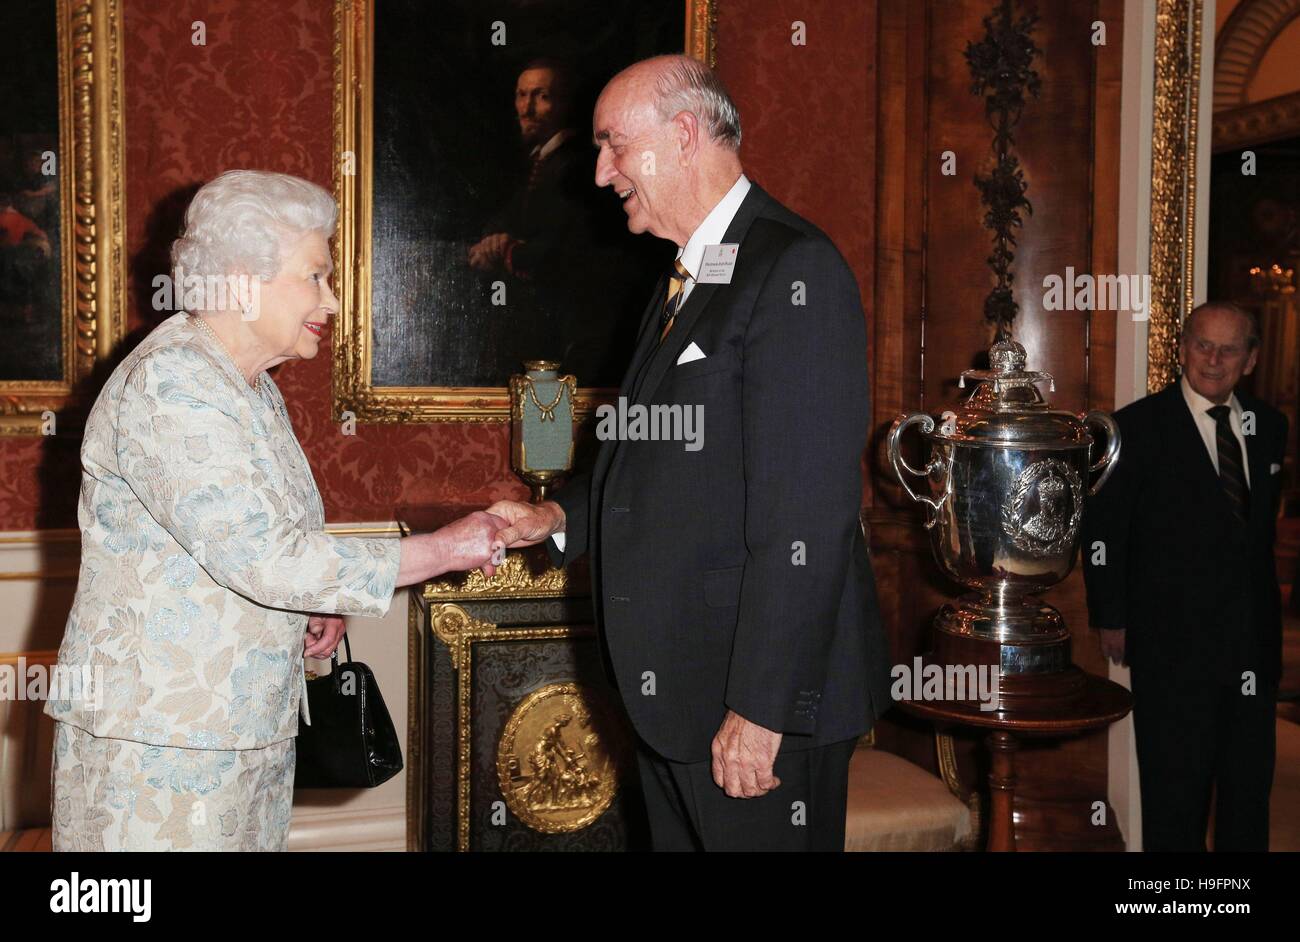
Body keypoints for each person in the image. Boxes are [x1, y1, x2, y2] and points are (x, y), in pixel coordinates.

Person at [486, 55, 892, 851]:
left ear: (681, 135)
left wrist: (762, 711)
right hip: (681, 701)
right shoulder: (689, 273)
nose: (601, 173)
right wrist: (554, 514)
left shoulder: (793, 269)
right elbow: (652, 461)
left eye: (612, 146)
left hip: (755, 707)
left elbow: (807, 515)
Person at [44, 170, 504, 851]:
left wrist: (311, 602)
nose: (334, 300)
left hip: (241, 729)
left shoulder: (247, 386)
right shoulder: (173, 381)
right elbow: (263, 555)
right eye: (314, 276)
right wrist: (445, 549)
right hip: (160, 745)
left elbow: (257, 544)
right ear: (240, 280)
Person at [1082, 301, 1286, 851]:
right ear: (1181, 349)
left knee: (1248, 799)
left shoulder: (1269, 428)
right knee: (1176, 799)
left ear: (1250, 359)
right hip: (1172, 647)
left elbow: (1256, 539)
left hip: (1251, 649)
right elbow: (1104, 533)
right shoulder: (1135, 428)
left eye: (1229, 349)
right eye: (1202, 344)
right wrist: (1112, 617)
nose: (1213, 360)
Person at [468, 58, 663, 384]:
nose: (526, 108)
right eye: (521, 95)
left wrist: (509, 250)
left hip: (575, 330)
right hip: (535, 327)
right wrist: (495, 241)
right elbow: (502, 221)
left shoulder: (582, 169)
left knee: (551, 423)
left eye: (541, 96)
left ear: (565, 104)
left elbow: (576, 249)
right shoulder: (531, 164)